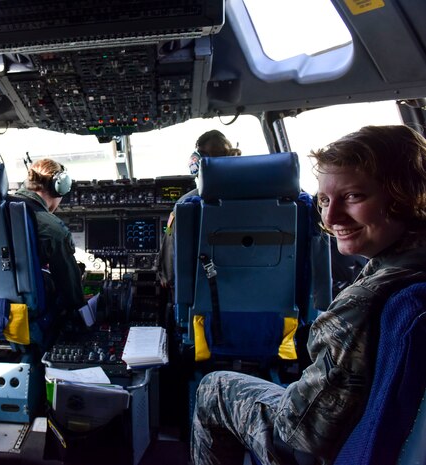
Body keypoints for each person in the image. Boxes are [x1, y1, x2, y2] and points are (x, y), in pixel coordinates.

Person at [191, 125, 426, 465]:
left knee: (213, 387)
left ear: (406, 193)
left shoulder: (364, 304)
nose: (330, 219)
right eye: (325, 200)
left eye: (354, 196)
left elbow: (300, 433)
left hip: (314, 450)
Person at [157, 129, 242, 288]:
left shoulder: (185, 205)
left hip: (203, 301)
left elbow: (169, 274)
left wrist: (164, 277)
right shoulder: (278, 194)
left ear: (198, 163)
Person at [12, 159, 84, 315]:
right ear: (60, 188)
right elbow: (69, 285)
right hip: (26, 313)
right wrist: (81, 306)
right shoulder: (52, 228)